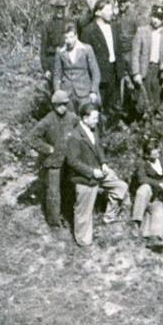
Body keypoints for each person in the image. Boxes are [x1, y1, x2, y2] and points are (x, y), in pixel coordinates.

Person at [65, 103, 129, 247]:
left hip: (99, 172)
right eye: (94, 118)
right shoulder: (75, 136)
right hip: (84, 178)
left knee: (120, 186)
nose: (97, 120)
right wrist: (92, 172)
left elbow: (98, 148)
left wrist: (104, 163)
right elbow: (73, 162)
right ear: (84, 118)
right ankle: (82, 240)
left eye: (97, 117)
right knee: (84, 212)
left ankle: (108, 217)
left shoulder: (93, 130)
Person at [27, 90, 80, 229]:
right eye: (59, 105)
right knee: (53, 192)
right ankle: (54, 221)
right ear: (53, 105)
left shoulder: (72, 118)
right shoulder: (48, 120)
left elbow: (81, 130)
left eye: (65, 104)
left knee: (69, 188)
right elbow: (32, 138)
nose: (62, 107)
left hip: (69, 160)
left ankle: (69, 215)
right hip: (53, 162)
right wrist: (48, 149)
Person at [80, 0, 124, 127]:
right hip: (99, 74)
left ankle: (113, 132)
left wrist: (121, 71)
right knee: (99, 105)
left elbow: (119, 50)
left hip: (114, 71)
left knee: (114, 104)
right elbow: (85, 57)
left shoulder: (114, 27)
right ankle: (100, 132)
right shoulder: (88, 31)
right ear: (98, 13)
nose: (112, 13)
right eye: (108, 10)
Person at [130, 6, 163, 117]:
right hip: (145, 69)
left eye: (159, 18)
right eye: (154, 16)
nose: (156, 20)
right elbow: (135, 54)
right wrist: (136, 73)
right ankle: (142, 122)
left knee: (157, 96)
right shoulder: (142, 31)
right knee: (143, 96)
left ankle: (154, 123)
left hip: (159, 70)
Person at [130, 139, 163, 249]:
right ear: (147, 154)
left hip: (156, 195)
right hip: (143, 195)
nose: (158, 152)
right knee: (145, 188)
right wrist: (160, 184)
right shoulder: (141, 163)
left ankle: (154, 238)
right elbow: (141, 179)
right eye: (154, 151)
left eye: (157, 150)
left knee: (158, 208)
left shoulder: (162, 161)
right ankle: (136, 222)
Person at [53, 23, 100, 111]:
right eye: (66, 38)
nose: (69, 40)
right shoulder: (60, 51)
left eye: (71, 37)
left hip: (84, 92)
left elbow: (95, 72)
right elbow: (57, 75)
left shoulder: (86, 49)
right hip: (67, 92)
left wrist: (93, 91)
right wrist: (57, 92)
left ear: (76, 36)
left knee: (86, 116)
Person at [40, 0, 69, 86]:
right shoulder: (47, 25)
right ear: (53, 9)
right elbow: (43, 49)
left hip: (67, 60)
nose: (60, 11)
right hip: (52, 61)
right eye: (57, 8)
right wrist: (45, 69)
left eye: (62, 8)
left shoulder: (70, 23)